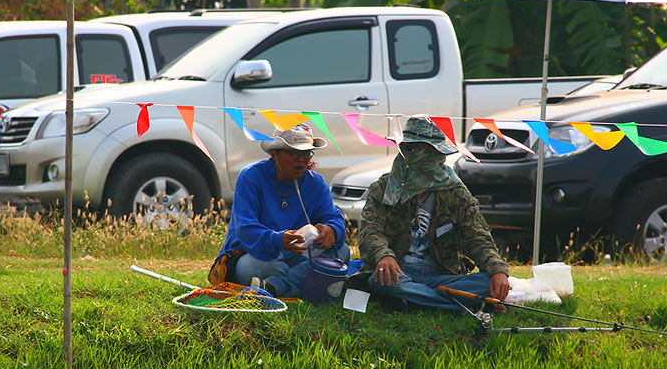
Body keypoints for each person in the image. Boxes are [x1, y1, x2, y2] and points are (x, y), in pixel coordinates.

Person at [358, 115, 510, 312]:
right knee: (385, 282)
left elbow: (478, 238)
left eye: (437, 153)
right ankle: (463, 306)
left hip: (441, 275)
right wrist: (384, 256)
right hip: (397, 272)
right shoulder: (383, 188)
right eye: (428, 153)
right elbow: (370, 232)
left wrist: (497, 270)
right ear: (408, 152)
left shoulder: (455, 191)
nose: (435, 160)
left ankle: (414, 300)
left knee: (485, 282)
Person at [217, 123, 350, 298]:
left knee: (342, 251)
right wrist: (278, 239)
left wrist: (332, 229)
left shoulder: (316, 183)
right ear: (274, 153)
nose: (301, 160)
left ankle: (275, 286)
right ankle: (303, 280)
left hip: (298, 255)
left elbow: (332, 216)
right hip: (256, 254)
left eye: (306, 153)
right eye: (294, 153)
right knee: (255, 268)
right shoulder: (251, 177)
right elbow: (245, 230)